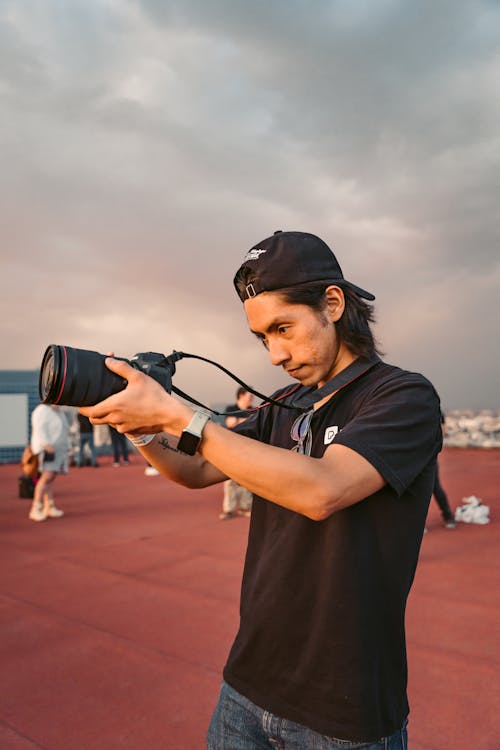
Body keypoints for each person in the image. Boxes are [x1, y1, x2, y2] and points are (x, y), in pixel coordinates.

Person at [81, 231, 442, 749]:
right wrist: (138, 426)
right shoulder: (282, 403)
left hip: (343, 708)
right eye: (263, 338)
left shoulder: (401, 395)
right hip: (247, 684)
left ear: (333, 304)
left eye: (283, 328)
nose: (275, 354)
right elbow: (196, 470)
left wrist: (177, 413)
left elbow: (325, 490)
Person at [29, 403, 70, 522]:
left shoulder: (57, 411)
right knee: (46, 477)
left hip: (58, 449)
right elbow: (39, 428)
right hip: (49, 449)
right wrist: (45, 444)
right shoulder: (41, 410)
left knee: (51, 478)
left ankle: (49, 506)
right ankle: (35, 508)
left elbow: (64, 428)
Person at [219, 387, 254, 520]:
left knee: (247, 481)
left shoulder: (254, 410)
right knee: (229, 481)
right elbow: (230, 423)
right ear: (241, 395)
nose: (251, 398)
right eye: (249, 395)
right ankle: (229, 509)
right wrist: (248, 421)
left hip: (248, 449)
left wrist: (239, 421)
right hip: (231, 449)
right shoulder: (231, 408)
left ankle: (245, 507)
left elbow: (239, 423)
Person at [430, 411, 455, 529]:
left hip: (429, 456)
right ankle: (418, 525)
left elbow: (443, 430)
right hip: (413, 457)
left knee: (435, 487)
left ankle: (448, 516)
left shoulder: (436, 410)